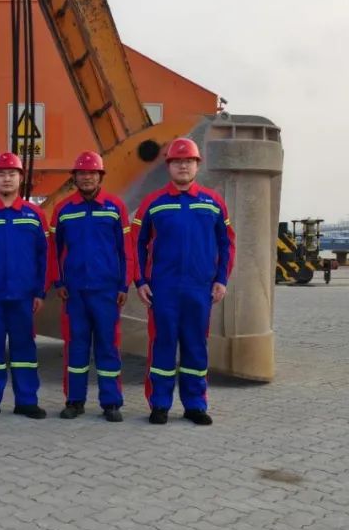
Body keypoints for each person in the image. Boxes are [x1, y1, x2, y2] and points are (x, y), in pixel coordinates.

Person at [133, 138, 235, 425]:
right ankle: (159, 404)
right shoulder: (153, 203)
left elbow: (227, 243)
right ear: (168, 166)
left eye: (188, 161)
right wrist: (140, 280)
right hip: (162, 289)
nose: (183, 166)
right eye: (177, 161)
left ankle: (195, 405)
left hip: (199, 288)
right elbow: (137, 244)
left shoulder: (213, 202)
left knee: (195, 346)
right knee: (162, 345)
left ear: (197, 165)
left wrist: (221, 279)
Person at [0, 152, 54, 420]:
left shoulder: (35, 214)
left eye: (12, 174)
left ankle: (26, 401)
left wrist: (40, 291)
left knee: (24, 349)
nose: (6, 178)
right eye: (1, 174)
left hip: (24, 296)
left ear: (20, 178)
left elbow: (45, 256)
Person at [50, 151, 134, 422]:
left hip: (106, 291)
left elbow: (126, 251)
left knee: (108, 347)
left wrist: (124, 285)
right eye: (82, 173)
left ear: (100, 176)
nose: (87, 177)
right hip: (74, 292)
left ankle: (111, 403)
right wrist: (58, 281)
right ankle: (75, 401)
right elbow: (53, 250)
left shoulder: (115, 207)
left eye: (92, 173)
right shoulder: (63, 209)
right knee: (76, 346)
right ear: (74, 178)